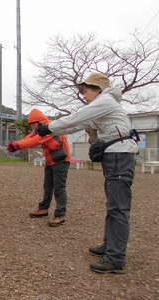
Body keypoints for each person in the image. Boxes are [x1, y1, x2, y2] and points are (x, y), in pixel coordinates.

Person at [37, 72, 138, 274]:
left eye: (86, 91)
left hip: (119, 155)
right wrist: (52, 131)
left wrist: (48, 127)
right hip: (115, 155)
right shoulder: (102, 107)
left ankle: (116, 258)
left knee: (118, 207)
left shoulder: (105, 101)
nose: (84, 95)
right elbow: (78, 124)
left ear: (97, 89)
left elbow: (77, 117)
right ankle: (110, 246)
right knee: (113, 205)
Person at [7, 109, 71, 227]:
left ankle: (60, 214)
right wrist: (16, 144)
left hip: (61, 161)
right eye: (30, 124)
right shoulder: (39, 129)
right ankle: (43, 208)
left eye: (33, 124)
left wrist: (17, 146)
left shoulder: (50, 128)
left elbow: (36, 140)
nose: (32, 127)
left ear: (39, 121)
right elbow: (29, 137)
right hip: (51, 160)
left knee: (59, 188)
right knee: (47, 186)